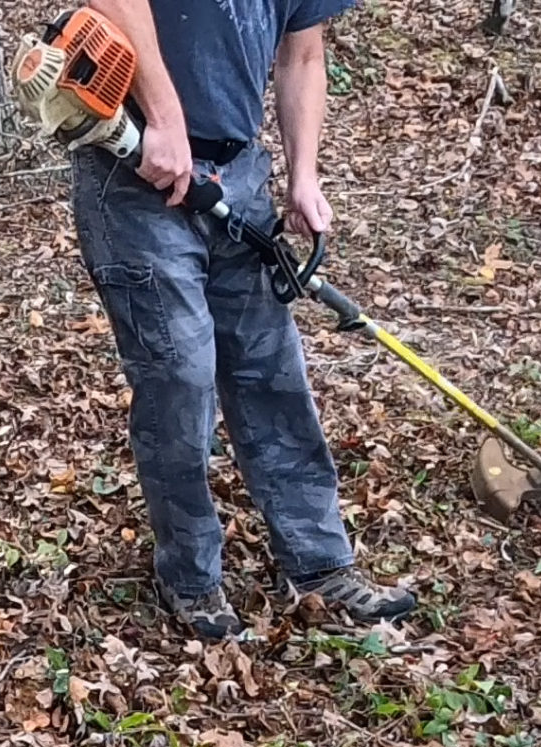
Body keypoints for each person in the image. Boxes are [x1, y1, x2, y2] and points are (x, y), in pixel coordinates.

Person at [73, 0, 414, 641]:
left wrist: (303, 177)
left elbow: (302, 54)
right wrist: (167, 121)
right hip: (135, 170)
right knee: (181, 375)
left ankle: (319, 565)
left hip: (239, 177)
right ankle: (191, 575)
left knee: (272, 371)